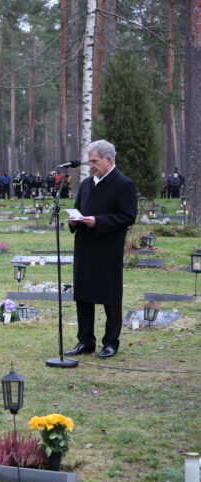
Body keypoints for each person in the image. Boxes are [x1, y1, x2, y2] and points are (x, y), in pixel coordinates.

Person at [66, 140, 137, 359]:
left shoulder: (123, 184)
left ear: (108, 160)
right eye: (89, 162)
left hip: (107, 248)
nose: (91, 166)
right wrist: (73, 221)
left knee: (110, 296)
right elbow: (78, 209)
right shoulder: (87, 184)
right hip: (85, 246)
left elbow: (127, 216)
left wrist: (98, 221)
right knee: (83, 295)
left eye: (95, 162)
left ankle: (110, 342)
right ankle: (85, 341)